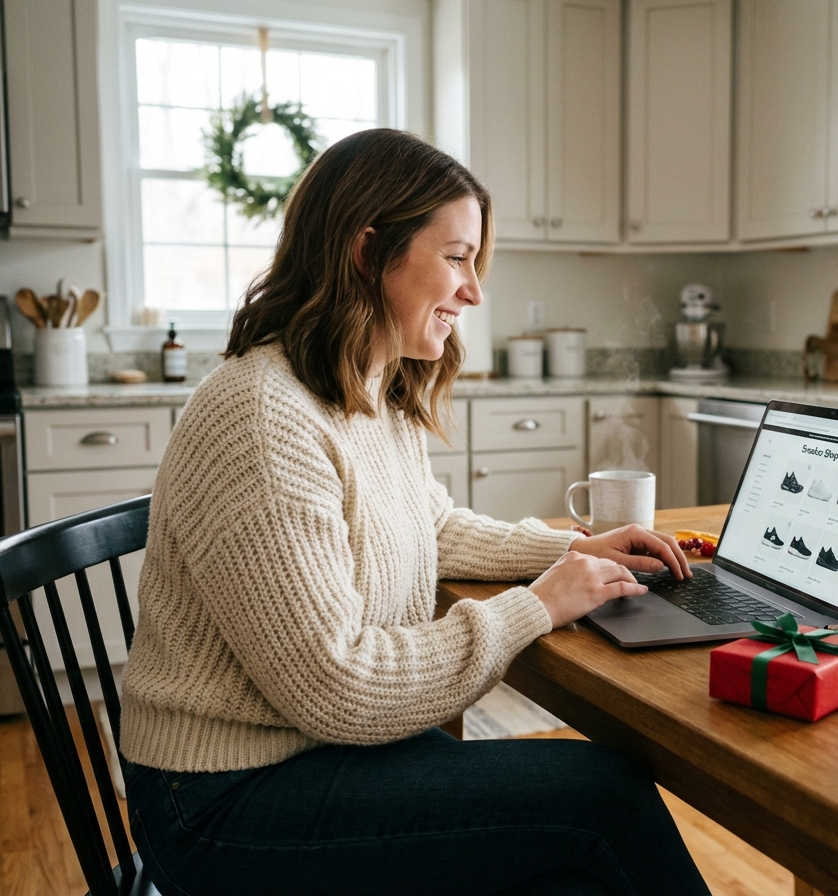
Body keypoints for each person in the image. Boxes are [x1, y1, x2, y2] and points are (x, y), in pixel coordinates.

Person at [119, 129, 710, 896]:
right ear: (368, 252)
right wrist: (535, 608)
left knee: (573, 866)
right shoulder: (264, 416)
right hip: (223, 799)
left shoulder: (363, 385)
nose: (474, 291)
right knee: (604, 800)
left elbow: (425, 526)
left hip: (307, 754)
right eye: (457, 257)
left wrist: (568, 550)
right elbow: (336, 684)